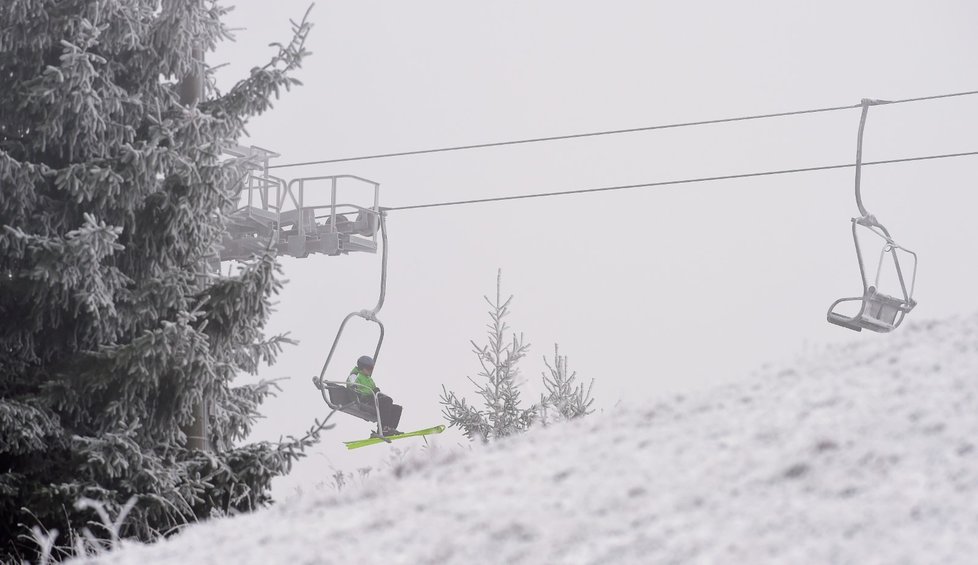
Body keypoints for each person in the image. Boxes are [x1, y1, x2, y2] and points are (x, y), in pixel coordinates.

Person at [347, 355, 402, 436]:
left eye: (372, 368)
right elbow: (351, 386)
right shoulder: (355, 375)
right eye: (369, 368)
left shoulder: (368, 378)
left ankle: (390, 429)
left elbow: (372, 389)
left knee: (397, 408)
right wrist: (355, 388)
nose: (370, 371)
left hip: (372, 398)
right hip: (364, 400)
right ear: (362, 367)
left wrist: (375, 390)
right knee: (387, 400)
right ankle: (383, 429)